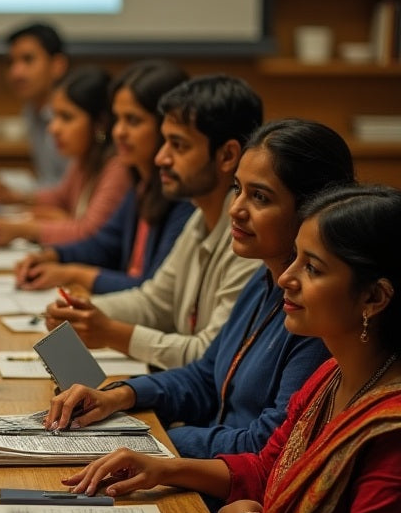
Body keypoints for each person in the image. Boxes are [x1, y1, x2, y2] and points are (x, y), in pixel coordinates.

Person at [64, 185, 401, 513]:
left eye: (312, 268)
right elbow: (269, 465)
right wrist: (163, 466)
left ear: (374, 298)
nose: (286, 279)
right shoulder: (333, 374)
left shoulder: (391, 432)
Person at [47, 118, 356, 458]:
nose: (236, 209)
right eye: (237, 189)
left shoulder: (317, 312)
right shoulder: (263, 278)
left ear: (311, 210)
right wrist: (120, 396)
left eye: (260, 197)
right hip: (203, 461)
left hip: (227, 487)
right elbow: (207, 376)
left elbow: (265, 446)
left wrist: (153, 442)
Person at [43, 75, 263, 369]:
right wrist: (84, 312)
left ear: (227, 155)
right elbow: (154, 302)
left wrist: (109, 331)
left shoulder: (252, 239)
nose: (162, 158)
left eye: (178, 145)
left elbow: (211, 357)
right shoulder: (201, 216)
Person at [15, 59, 194, 294]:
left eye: (133, 120)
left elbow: (154, 293)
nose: (118, 132)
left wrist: (71, 272)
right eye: (117, 119)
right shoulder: (142, 181)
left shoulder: (183, 198)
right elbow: (104, 243)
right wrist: (53, 256)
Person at [0, 66, 131, 247]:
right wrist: (16, 197)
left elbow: (89, 233)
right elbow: (61, 197)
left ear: (100, 123)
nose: (53, 128)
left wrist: (22, 230)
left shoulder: (117, 168)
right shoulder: (86, 157)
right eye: (54, 116)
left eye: (66, 117)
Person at [0, 21, 70, 201]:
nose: (16, 72)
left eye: (28, 60)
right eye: (11, 62)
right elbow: (48, 180)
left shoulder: (73, 116)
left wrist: (22, 197)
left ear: (57, 65)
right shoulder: (31, 110)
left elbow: (73, 193)